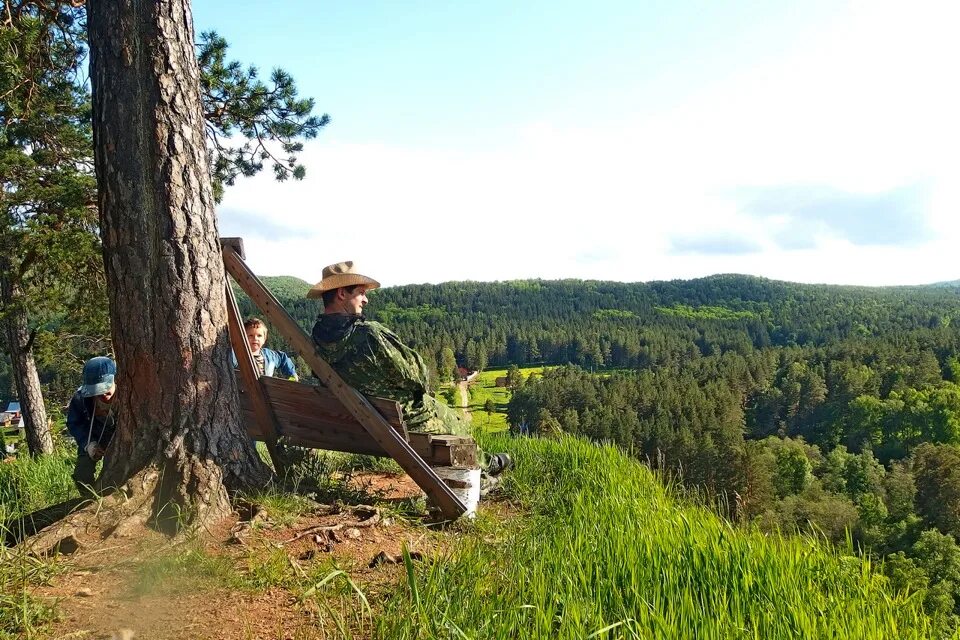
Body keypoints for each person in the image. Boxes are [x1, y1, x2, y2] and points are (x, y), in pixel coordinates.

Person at [308, 261, 513, 477]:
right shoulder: (368, 334)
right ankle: (486, 470)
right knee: (456, 422)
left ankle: (487, 465)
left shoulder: (315, 340)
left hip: (353, 422)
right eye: (360, 293)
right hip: (399, 419)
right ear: (341, 293)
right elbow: (416, 375)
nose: (366, 300)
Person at [66, 356, 118, 496]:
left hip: (120, 438)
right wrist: (88, 444)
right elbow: (74, 423)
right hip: (93, 436)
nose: (102, 394)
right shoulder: (80, 398)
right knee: (81, 475)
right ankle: (90, 499)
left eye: (106, 389)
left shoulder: (129, 392)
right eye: (97, 392)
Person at [233, 317, 298, 380]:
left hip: (266, 390)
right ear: (243, 337)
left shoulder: (269, 355)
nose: (255, 338)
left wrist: (292, 375)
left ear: (264, 339)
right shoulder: (237, 355)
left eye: (259, 335)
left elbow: (282, 358)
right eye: (250, 335)